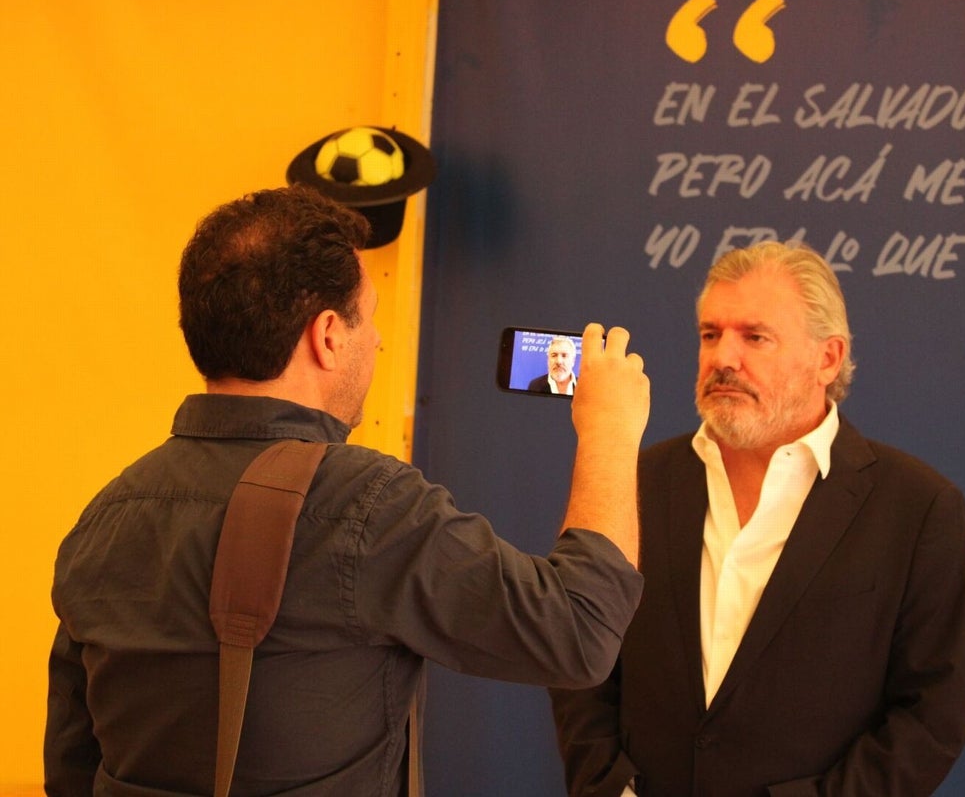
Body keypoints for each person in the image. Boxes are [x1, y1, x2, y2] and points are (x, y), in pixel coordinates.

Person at [45, 184, 650, 796]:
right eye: (371, 315)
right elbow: (579, 633)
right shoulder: (367, 505)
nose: (378, 339)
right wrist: (611, 430)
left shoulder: (106, 514)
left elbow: (71, 765)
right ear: (328, 334)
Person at [550, 240, 965, 797]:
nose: (723, 357)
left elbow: (931, 715)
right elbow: (580, 655)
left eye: (755, 337)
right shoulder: (633, 480)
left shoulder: (917, 506)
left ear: (827, 358)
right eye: (710, 334)